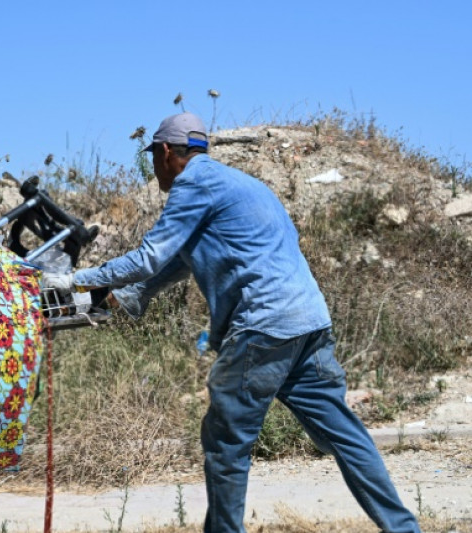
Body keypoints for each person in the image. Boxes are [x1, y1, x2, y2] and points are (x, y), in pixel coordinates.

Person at [43, 113, 421, 533]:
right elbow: (178, 260)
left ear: (166, 153)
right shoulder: (241, 185)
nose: (154, 167)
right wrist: (131, 295)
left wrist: (75, 278)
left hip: (263, 328)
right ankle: (404, 529)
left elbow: (151, 255)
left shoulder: (193, 185)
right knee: (343, 435)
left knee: (225, 445)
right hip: (309, 322)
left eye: (154, 157)